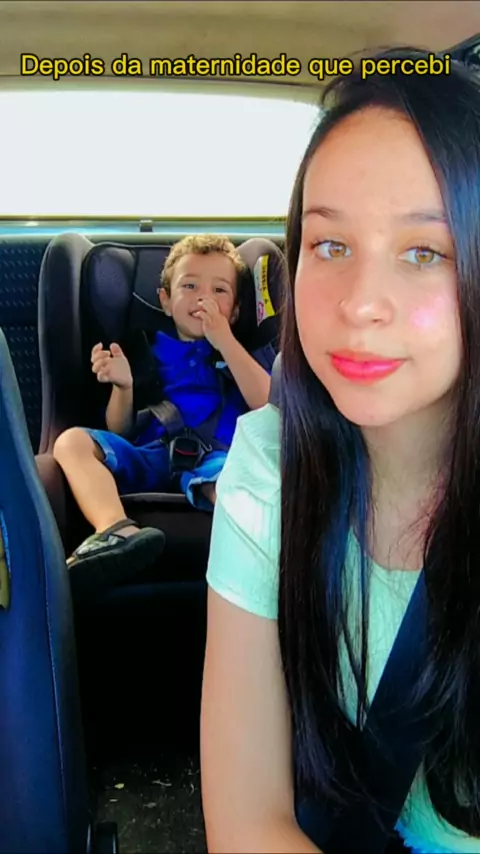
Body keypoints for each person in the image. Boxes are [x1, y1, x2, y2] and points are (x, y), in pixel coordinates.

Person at [200, 47, 480, 854]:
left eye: (423, 252)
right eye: (330, 246)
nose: (361, 304)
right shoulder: (270, 465)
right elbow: (245, 822)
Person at [53, 234, 271, 598]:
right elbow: (119, 430)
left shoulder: (241, 355)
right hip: (150, 452)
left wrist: (226, 342)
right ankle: (115, 530)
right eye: (189, 286)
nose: (203, 298)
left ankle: (257, 545)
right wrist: (124, 387)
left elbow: (269, 406)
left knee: (235, 479)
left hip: (218, 458)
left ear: (234, 311)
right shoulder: (143, 349)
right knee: (71, 442)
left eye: (219, 290)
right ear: (166, 301)